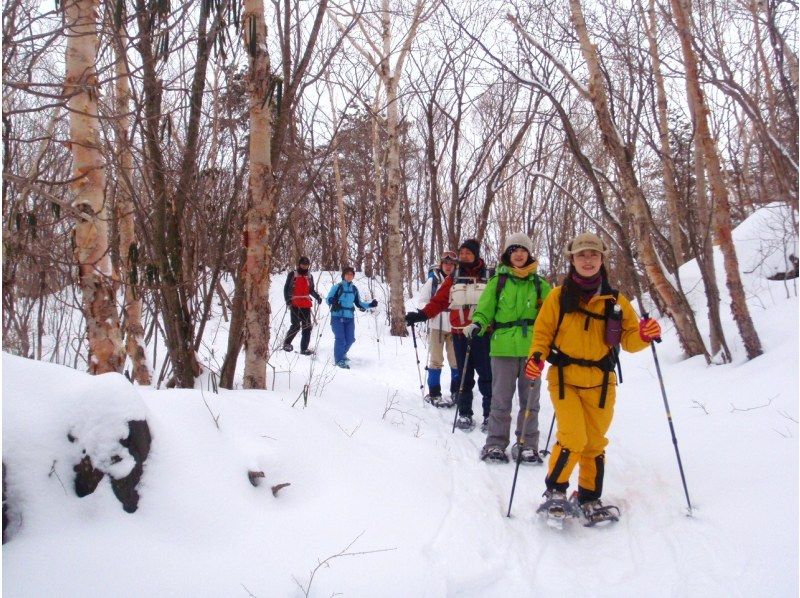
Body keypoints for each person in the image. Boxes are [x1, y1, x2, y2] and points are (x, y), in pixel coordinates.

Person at [524, 232, 662, 523]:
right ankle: (556, 492)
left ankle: (588, 497)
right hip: (565, 379)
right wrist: (536, 357)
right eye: (582, 255)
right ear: (572, 260)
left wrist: (645, 335)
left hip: (602, 382)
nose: (588, 260)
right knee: (573, 437)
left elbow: (629, 340)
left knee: (595, 442)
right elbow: (543, 333)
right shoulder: (558, 297)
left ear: (602, 259)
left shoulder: (616, 300)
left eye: (593, 255)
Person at [463, 233, 551, 463]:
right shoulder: (497, 282)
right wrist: (477, 324)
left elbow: (552, 317)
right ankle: (495, 444)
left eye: (523, 249)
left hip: (533, 350)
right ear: (507, 254)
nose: (519, 254)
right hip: (502, 348)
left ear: (529, 253)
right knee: (501, 400)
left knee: (530, 401)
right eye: (514, 250)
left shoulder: (540, 285)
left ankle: (527, 445)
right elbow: (485, 310)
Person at [405, 239, 492, 432]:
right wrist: (421, 315)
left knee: (487, 376)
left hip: (483, 334)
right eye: (462, 253)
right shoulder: (454, 277)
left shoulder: (489, 276)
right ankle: (465, 413)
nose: (464, 256)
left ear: (476, 254)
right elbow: (440, 300)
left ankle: (489, 416)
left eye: (468, 253)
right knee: (464, 375)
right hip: (459, 333)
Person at [416, 251, 460, 407]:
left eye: (451, 264)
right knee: (435, 360)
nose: (448, 266)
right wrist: (432, 312)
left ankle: (457, 392)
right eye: (446, 263)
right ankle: (434, 393)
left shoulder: (459, 280)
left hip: (456, 327)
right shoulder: (432, 281)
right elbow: (422, 301)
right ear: (441, 264)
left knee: (456, 361)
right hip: (436, 326)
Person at [326, 267, 378, 369]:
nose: (349, 276)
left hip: (349, 317)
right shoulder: (337, 287)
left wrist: (370, 305)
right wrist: (332, 300)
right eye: (347, 274)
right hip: (337, 316)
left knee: (350, 339)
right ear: (343, 275)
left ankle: (342, 354)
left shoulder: (354, 289)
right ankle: (339, 360)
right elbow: (328, 299)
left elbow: (359, 303)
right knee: (340, 339)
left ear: (353, 276)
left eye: (351, 274)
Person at [283, 256, 322, 355]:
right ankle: (287, 343)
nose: (304, 266)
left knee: (307, 327)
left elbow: (311, 290)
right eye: (303, 264)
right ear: (299, 264)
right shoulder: (293, 274)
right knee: (296, 325)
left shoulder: (309, 276)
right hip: (295, 303)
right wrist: (287, 300)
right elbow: (286, 288)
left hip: (305, 304)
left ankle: (304, 349)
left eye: (306, 264)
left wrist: (317, 297)